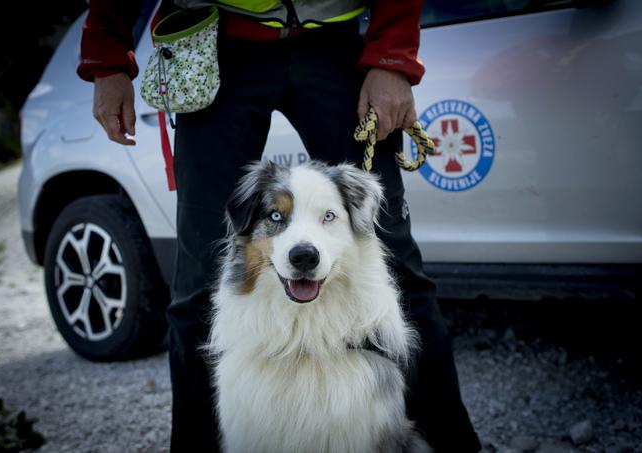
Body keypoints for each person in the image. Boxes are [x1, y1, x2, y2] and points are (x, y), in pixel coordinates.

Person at [77, 1, 481, 451]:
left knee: (398, 268)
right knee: (197, 286)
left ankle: (453, 444)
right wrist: (107, 58)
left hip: (335, 40)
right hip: (217, 42)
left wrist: (394, 59)